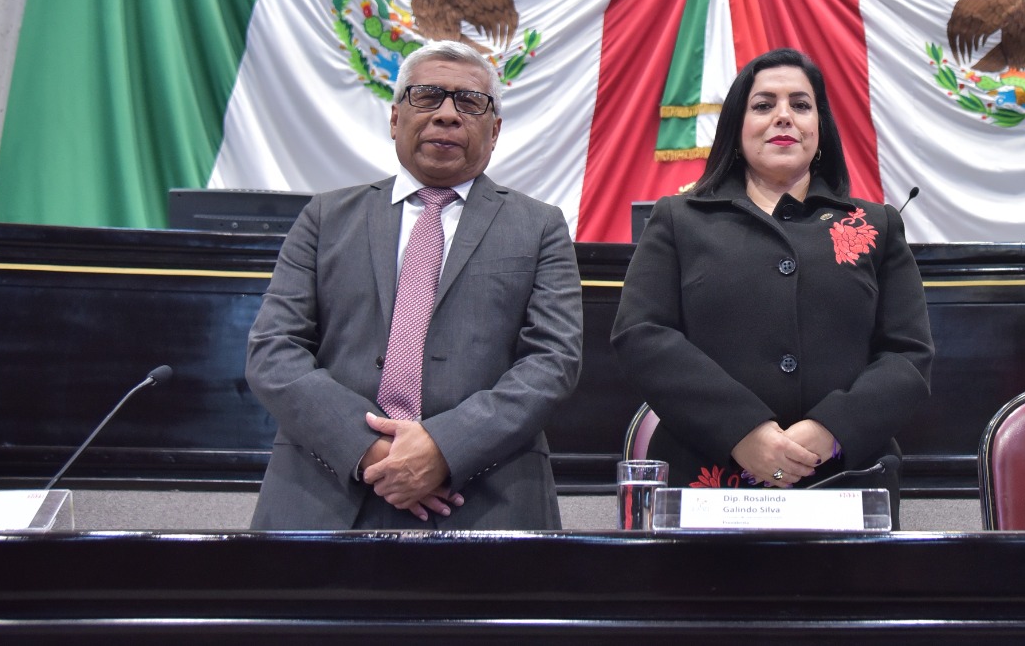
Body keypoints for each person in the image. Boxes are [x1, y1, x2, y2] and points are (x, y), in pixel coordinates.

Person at [246, 40, 583, 529]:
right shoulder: (325, 217)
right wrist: (372, 451)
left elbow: (553, 361)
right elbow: (274, 350)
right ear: (394, 118)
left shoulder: (540, 227)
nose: (447, 114)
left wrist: (444, 449)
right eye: (426, 96)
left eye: (469, 102)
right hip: (325, 492)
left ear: (495, 131)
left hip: (485, 499)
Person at [611, 48, 933, 517]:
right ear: (736, 127)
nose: (784, 116)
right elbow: (641, 335)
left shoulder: (875, 225)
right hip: (707, 476)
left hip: (847, 477)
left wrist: (829, 431)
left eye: (800, 105)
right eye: (763, 105)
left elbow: (908, 355)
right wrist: (743, 432)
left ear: (819, 127)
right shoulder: (679, 219)